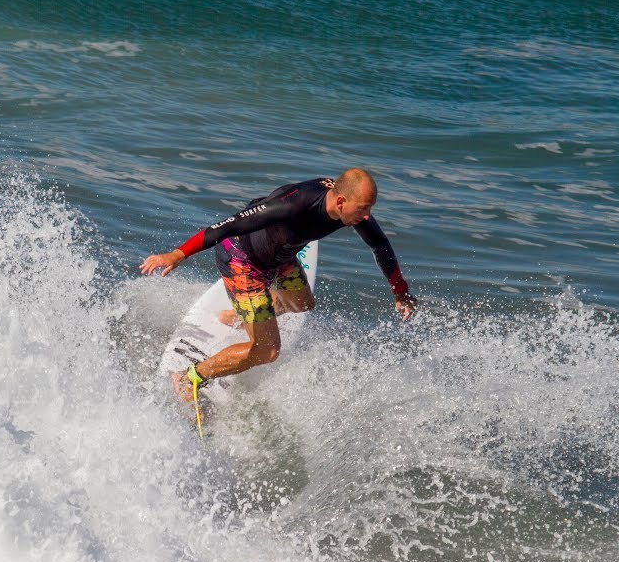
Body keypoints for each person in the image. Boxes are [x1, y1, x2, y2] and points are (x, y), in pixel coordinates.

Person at [139, 168, 416, 402]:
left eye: (370, 208)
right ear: (341, 200)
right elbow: (225, 227)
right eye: (364, 208)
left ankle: (240, 315)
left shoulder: (350, 207)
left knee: (303, 303)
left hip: (280, 255)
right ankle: (190, 378)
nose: (368, 216)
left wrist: (400, 293)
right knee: (267, 351)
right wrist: (177, 254)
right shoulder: (292, 207)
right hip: (242, 259)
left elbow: (380, 245)